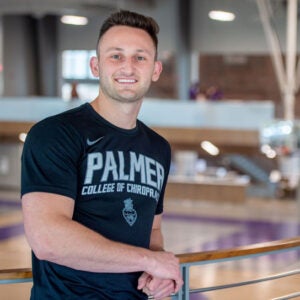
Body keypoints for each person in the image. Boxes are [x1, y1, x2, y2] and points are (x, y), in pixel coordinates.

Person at [21, 10, 183, 300]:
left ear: (155, 70)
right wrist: (148, 260)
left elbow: (153, 229)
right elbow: (47, 239)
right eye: (116, 56)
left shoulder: (158, 148)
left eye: (140, 57)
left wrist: (156, 271)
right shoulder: (55, 134)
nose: (128, 67)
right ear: (96, 66)